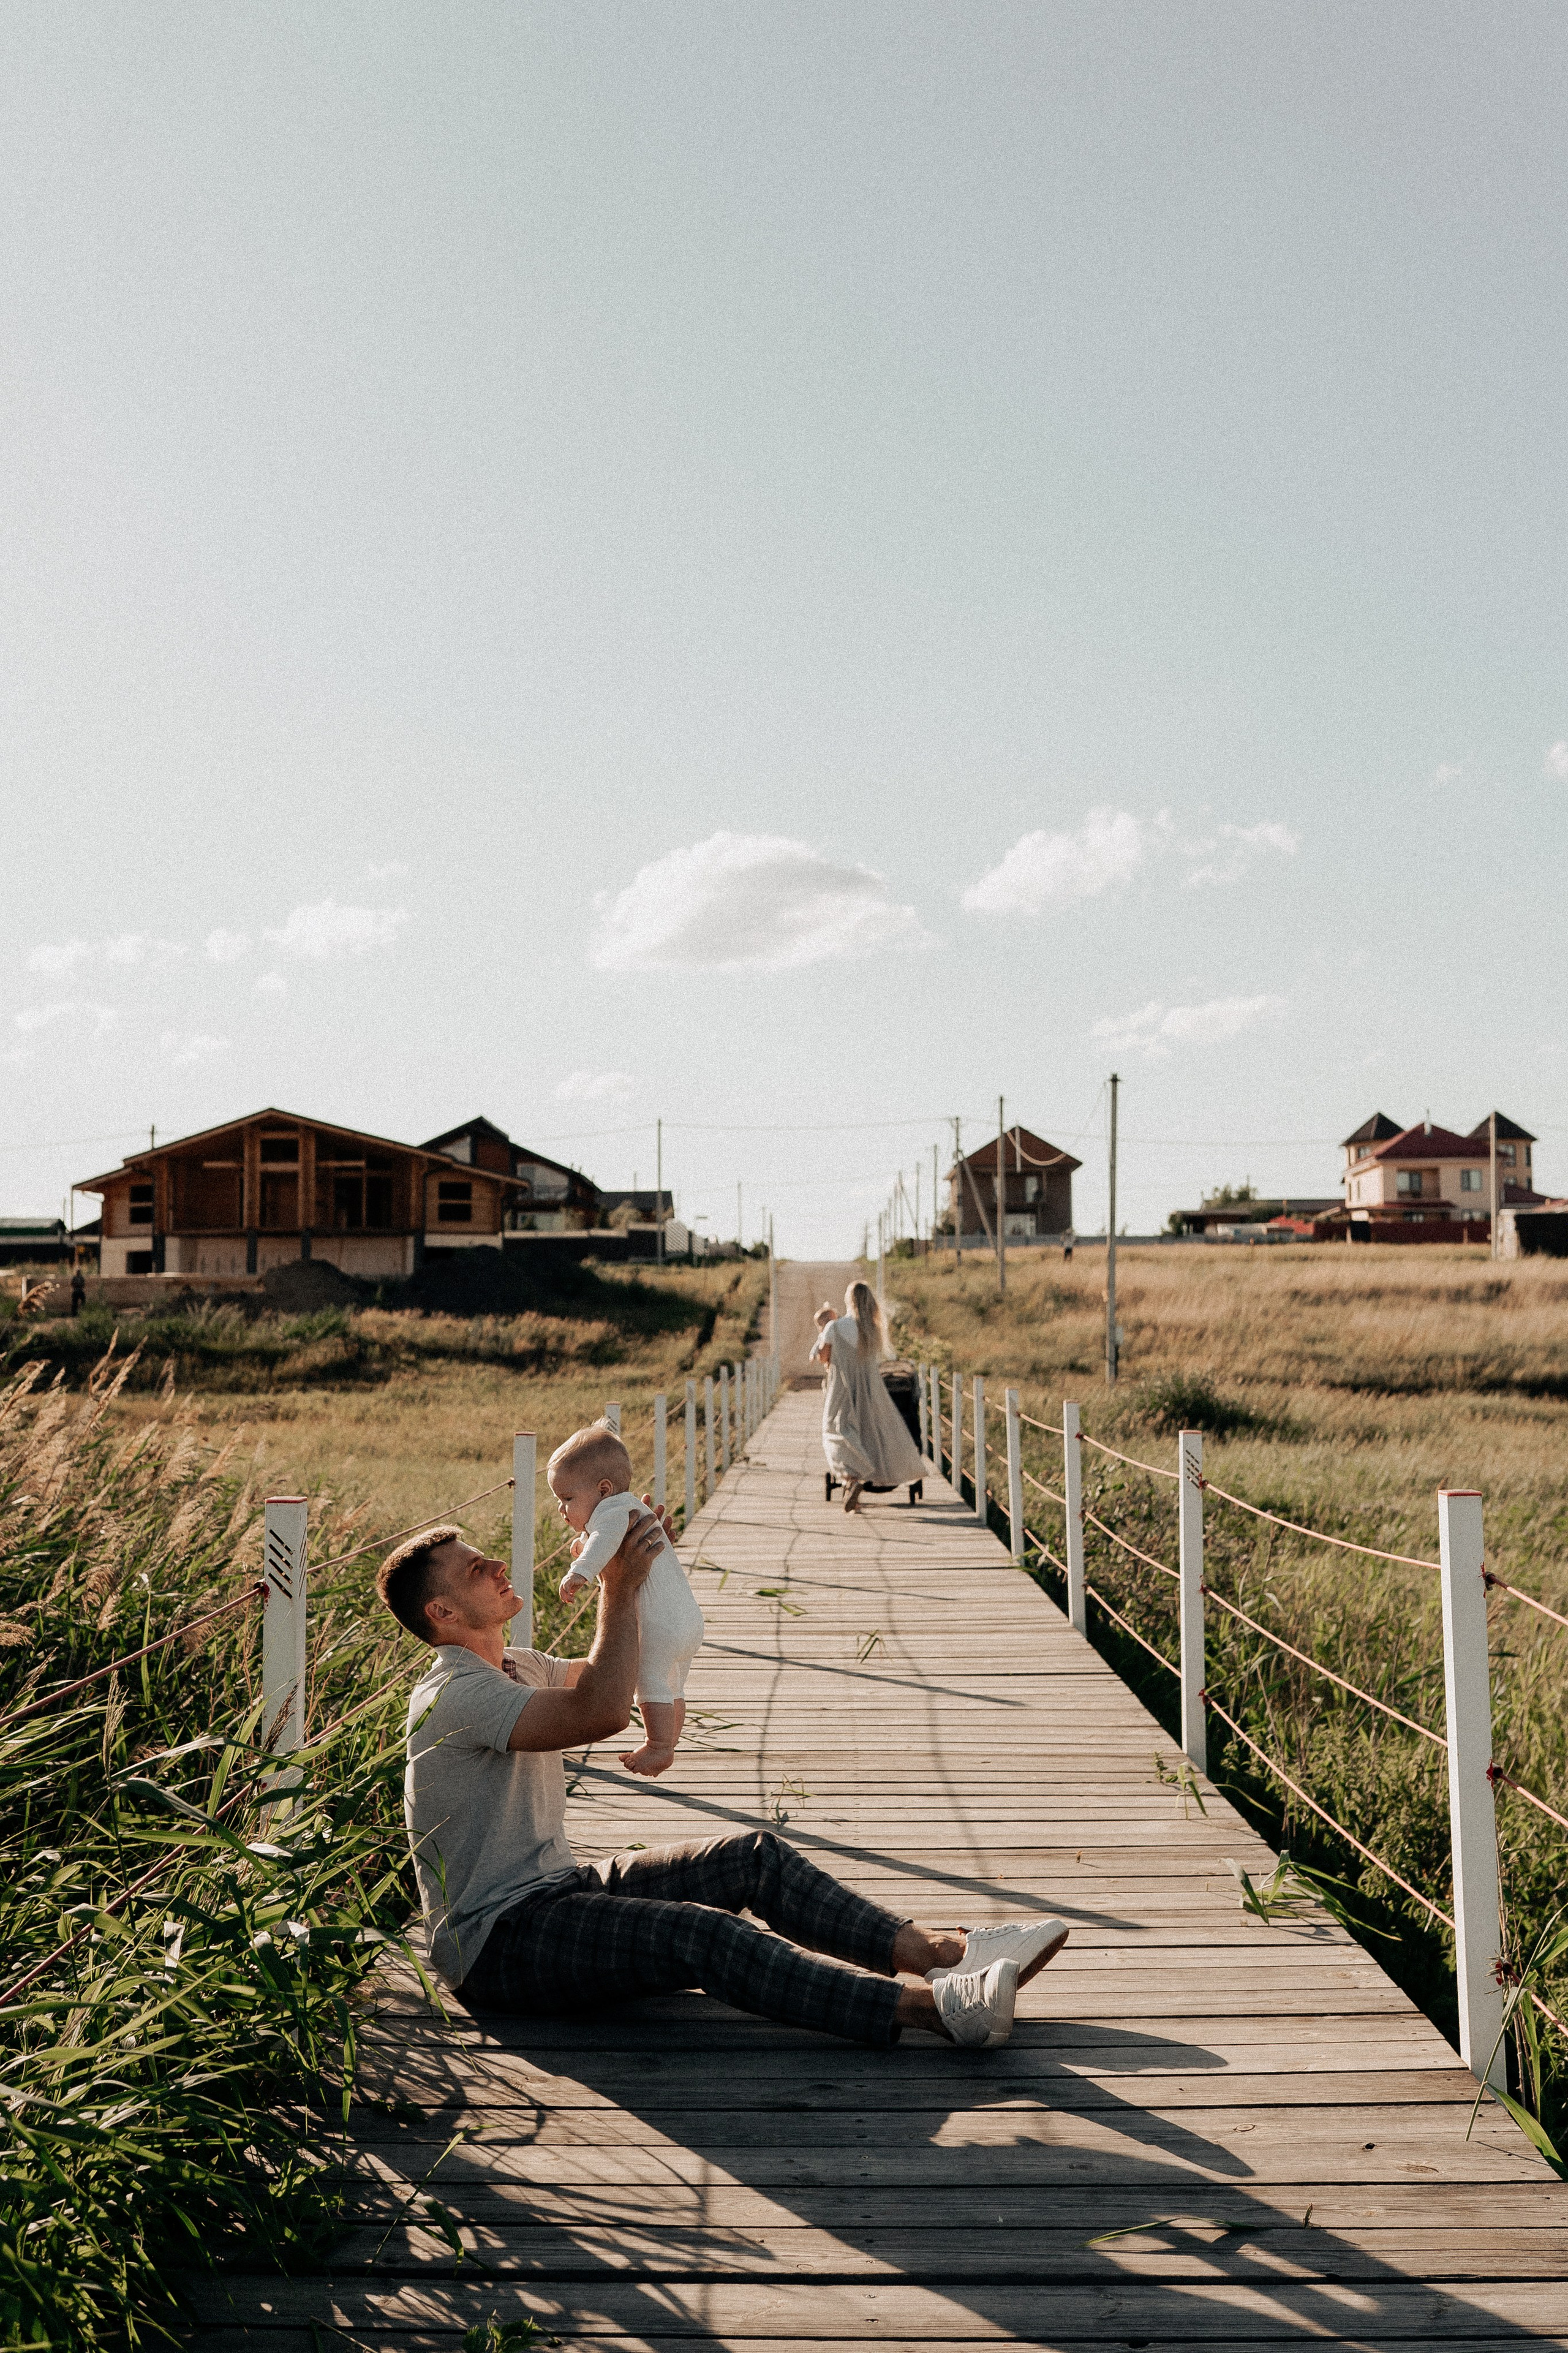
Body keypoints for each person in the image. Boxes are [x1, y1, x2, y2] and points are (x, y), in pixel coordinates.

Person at [380, 1513, 1068, 2048]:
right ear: (441, 1614)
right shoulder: (453, 1693)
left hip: (558, 1891)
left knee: (751, 1857)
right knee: (700, 1934)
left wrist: (646, 1564)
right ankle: (937, 2012)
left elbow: (613, 1668)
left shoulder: (516, 1665)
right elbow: (600, 1710)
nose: (496, 1563)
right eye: (475, 1568)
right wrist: (615, 1585)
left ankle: (947, 1954)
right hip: (499, 1942)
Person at [549, 1419, 704, 1777]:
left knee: (648, 1680)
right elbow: (605, 1540)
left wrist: (580, 1571)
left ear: (603, 1489)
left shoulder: (612, 1512)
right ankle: (670, 1741)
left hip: (658, 1626)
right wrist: (586, 1545)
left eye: (567, 1499)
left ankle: (659, 1745)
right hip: (687, 1620)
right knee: (672, 1683)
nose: (562, 1510)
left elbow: (605, 1540)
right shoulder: (632, 1508)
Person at [810, 1277, 925, 1513]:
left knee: (835, 1433)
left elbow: (824, 1358)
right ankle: (857, 1492)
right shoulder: (872, 1329)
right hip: (872, 1390)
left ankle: (854, 1477)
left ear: (849, 1301)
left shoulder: (835, 1327)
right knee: (870, 1434)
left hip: (842, 1389)